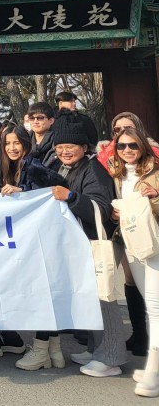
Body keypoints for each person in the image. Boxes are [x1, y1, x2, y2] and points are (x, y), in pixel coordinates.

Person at [15, 123, 122, 374]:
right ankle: (97, 349)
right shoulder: (67, 167)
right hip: (79, 244)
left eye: (70, 147)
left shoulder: (93, 168)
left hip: (96, 242)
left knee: (105, 299)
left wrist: (71, 197)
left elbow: (101, 208)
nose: (64, 151)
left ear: (84, 148)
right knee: (90, 297)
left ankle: (111, 358)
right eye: (60, 147)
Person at [108, 128, 159, 395]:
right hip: (132, 243)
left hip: (154, 244)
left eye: (132, 146)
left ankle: (155, 369)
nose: (127, 150)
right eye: (121, 146)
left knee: (155, 305)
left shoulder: (154, 172)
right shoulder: (119, 176)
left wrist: (156, 196)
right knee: (149, 303)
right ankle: (154, 363)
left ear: (143, 147)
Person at [26, 102, 57, 167]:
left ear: (51, 121)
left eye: (40, 118)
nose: (35, 121)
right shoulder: (24, 140)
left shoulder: (58, 142)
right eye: (32, 118)